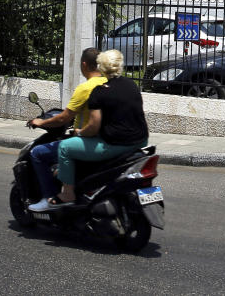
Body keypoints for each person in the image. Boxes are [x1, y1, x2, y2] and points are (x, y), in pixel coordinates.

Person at [47, 49, 149, 206]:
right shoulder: (132, 85)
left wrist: (80, 133)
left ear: (101, 67)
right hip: (140, 141)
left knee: (65, 147)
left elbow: (93, 126)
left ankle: (67, 194)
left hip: (115, 145)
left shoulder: (99, 92)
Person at [26, 47, 105, 212]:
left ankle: (49, 198)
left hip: (86, 140)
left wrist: (40, 122)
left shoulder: (85, 88)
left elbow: (63, 118)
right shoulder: (109, 83)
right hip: (105, 139)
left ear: (84, 64)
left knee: (38, 153)